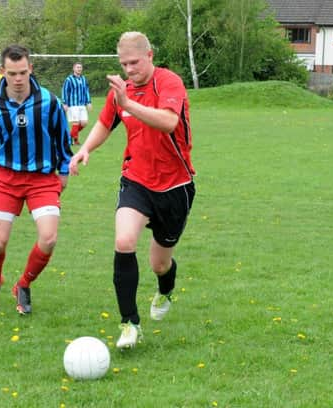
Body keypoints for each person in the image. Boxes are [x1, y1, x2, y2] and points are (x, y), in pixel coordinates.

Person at [69, 32, 196, 348]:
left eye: (135, 62)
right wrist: (86, 149)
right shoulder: (120, 93)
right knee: (124, 240)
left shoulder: (169, 83)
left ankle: (165, 288)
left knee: (159, 264)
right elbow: (104, 122)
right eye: (124, 64)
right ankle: (129, 324)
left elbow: (167, 122)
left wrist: (128, 103)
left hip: (175, 186)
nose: (129, 69)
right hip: (136, 179)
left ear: (150, 55)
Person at [0, 45, 73, 315]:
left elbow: (62, 136)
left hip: (42, 177)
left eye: (23, 72)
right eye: (12, 73)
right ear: (3, 72)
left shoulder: (49, 102)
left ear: (31, 69)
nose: (18, 79)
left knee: (49, 238)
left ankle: (24, 284)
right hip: (5, 177)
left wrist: (64, 170)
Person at [62, 62, 92, 145]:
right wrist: (65, 103)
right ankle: (75, 141)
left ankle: (69, 136)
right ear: (74, 69)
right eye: (77, 67)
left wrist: (88, 102)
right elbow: (65, 91)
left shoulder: (83, 79)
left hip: (82, 104)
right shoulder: (69, 79)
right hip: (73, 105)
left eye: (80, 67)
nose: (79, 69)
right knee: (75, 123)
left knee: (84, 123)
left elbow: (86, 91)